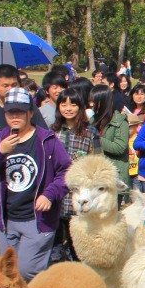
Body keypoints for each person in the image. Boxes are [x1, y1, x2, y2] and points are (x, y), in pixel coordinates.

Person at [0, 88, 71, 281]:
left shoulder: (47, 140)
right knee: (8, 273)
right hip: (7, 219)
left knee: (27, 271)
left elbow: (67, 171)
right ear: (5, 114)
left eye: (20, 111)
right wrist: (0, 151)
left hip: (38, 219)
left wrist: (50, 194)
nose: (15, 116)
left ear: (30, 112)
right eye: (11, 112)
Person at [52, 86, 102, 261]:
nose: (68, 108)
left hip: (80, 197)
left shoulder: (90, 133)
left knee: (79, 245)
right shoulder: (53, 132)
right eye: (64, 104)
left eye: (73, 105)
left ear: (80, 107)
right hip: (56, 196)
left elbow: (97, 163)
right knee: (55, 244)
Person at [0, 64, 48, 153]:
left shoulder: (29, 107)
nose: (10, 89)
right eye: (5, 85)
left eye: (14, 85)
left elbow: (44, 135)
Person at [90, 84, 130, 189]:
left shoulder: (120, 122)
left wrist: (96, 138)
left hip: (114, 175)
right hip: (96, 174)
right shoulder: (92, 120)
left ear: (103, 102)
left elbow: (119, 147)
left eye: (94, 101)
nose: (91, 104)